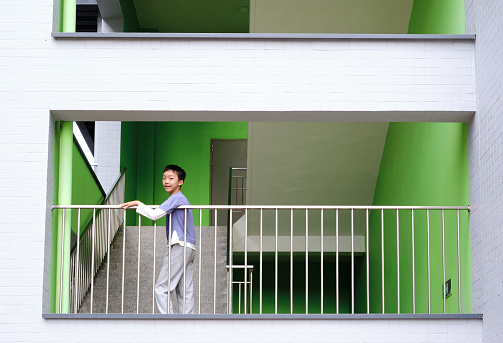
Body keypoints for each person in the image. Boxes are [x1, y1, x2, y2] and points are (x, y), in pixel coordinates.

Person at [120, 164, 196, 314]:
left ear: (180, 182)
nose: (166, 181)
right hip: (189, 247)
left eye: (171, 178)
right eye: (164, 178)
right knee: (185, 291)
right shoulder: (179, 199)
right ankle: (188, 325)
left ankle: (168, 324)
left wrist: (137, 203)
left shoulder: (176, 198)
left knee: (162, 288)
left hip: (179, 245)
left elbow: (154, 215)